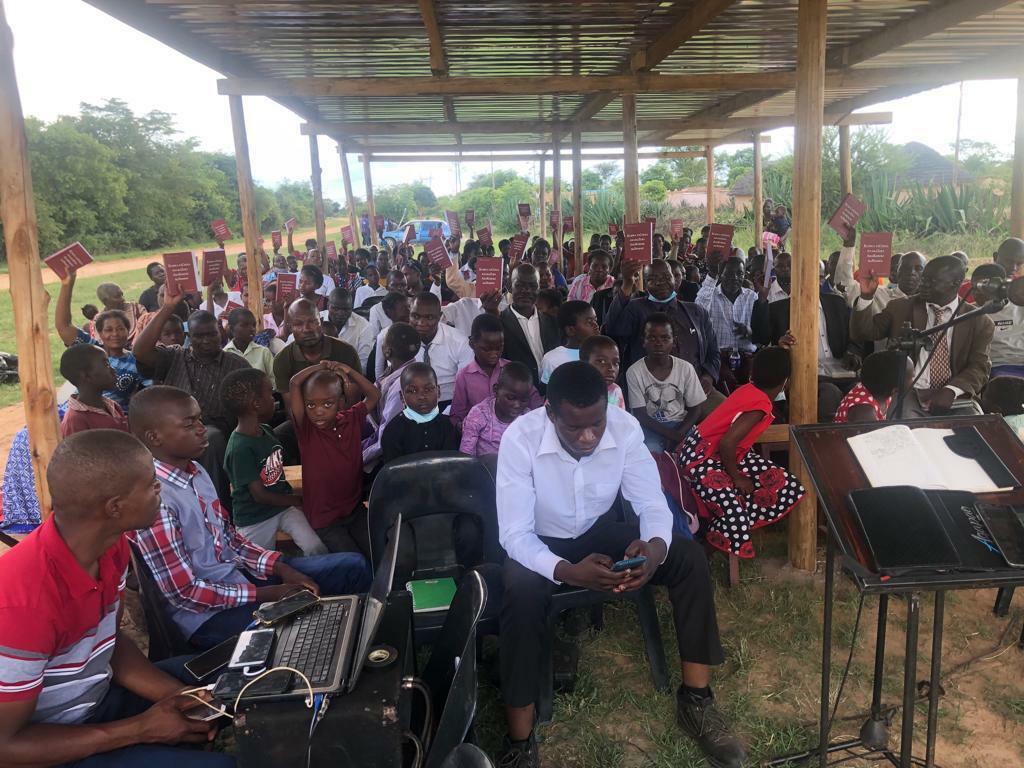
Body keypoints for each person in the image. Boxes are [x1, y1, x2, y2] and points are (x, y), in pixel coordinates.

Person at [495, 362, 742, 768]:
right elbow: (515, 535)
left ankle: (696, 701)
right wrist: (567, 571)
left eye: (596, 423)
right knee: (519, 592)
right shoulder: (520, 438)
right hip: (540, 542)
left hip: (597, 530)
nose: (589, 436)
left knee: (688, 557)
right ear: (551, 414)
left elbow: (651, 504)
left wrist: (655, 550)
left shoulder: (624, 428)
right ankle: (520, 743)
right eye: (574, 428)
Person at [0, 430, 235, 768]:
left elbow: (109, 642)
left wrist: (176, 697)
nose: (160, 490)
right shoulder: (21, 602)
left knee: (236, 683)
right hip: (47, 743)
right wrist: (139, 730)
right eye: (152, 484)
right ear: (115, 507)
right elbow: (6, 747)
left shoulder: (112, 547)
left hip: (98, 702)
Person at [129, 386, 370, 648]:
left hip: (239, 579)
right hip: (207, 615)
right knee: (306, 630)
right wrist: (266, 594)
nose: (201, 428)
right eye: (189, 424)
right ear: (154, 437)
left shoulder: (196, 471)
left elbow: (231, 539)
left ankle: (363, 646)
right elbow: (186, 594)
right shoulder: (154, 502)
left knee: (352, 567)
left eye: (199, 419)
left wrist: (281, 568)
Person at [678, 347, 805, 558]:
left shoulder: (749, 390)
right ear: (786, 381)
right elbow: (727, 444)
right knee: (734, 514)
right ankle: (700, 554)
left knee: (785, 484)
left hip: (714, 454)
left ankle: (736, 524)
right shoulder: (759, 404)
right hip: (700, 459)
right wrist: (737, 478)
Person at [851, 255, 995, 416]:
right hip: (910, 392)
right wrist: (866, 296)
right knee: (904, 427)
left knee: (973, 431)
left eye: (932, 281)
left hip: (956, 396)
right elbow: (864, 332)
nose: (923, 285)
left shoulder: (979, 321)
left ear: (956, 283)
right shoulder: (900, 307)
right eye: (924, 278)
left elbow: (980, 367)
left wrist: (951, 390)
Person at [221, 368, 326, 555]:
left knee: (314, 546)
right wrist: (298, 499)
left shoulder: (266, 431)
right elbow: (259, 495)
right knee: (257, 564)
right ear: (256, 404)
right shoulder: (240, 448)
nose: (274, 399)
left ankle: (319, 578)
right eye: (270, 393)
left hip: (283, 508)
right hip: (254, 517)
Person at [289, 360, 380, 556]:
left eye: (327, 404)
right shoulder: (306, 430)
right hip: (325, 520)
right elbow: (295, 383)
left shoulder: (352, 419)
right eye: (311, 405)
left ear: (341, 402)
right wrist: (322, 367)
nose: (318, 411)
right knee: (355, 562)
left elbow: (374, 394)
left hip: (353, 510)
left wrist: (349, 370)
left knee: (378, 550)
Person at [604, 259, 721, 394]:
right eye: (652, 279)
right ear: (645, 284)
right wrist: (627, 283)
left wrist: (708, 377)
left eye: (666, 277)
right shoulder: (635, 309)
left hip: (695, 388)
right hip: (650, 392)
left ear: (675, 278)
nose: (660, 282)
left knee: (730, 412)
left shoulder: (696, 312)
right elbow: (611, 327)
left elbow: (713, 352)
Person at [55, 269, 145, 411]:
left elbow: (143, 396)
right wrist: (67, 283)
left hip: (114, 420)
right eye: (108, 330)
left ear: (128, 331)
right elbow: (64, 326)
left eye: (121, 329)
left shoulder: (137, 362)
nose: (115, 334)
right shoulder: (91, 351)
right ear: (100, 333)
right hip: (77, 412)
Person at [627, 314, 707, 452]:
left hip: (681, 425)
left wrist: (679, 434)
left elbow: (696, 409)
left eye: (665, 338)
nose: (658, 343)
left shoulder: (685, 368)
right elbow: (640, 415)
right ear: (643, 341)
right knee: (652, 451)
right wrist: (672, 436)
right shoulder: (634, 372)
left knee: (697, 451)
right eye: (652, 338)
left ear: (674, 341)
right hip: (651, 426)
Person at [450, 313, 541, 429]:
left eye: (499, 348)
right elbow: (456, 415)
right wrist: (468, 428)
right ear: (472, 344)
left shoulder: (513, 370)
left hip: (514, 433)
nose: (494, 354)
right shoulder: (464, 376)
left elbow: (535, 402)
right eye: (486, 349)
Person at [273, 298, 362, 410]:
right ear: (290, 327)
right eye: (298, 324)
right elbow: (292, 411)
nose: (307, 329)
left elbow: (355, 405)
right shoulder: (282, 360)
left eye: (312, 322)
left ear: (320, 321)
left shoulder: (346, 352)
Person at [363, 323, 423, 465]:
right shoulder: (392, 372)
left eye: (383, 343)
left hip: (393, 453)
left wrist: (357, 458)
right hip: (377, 436)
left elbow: (385, 437)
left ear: (387, 351)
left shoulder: (402, 385)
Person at [696, 256, 758, 388]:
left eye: (739, 273)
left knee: (753, 385)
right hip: (719, 356)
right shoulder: (709, 295)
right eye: (729, 273)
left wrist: (751, 331)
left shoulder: (751, 297)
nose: (735, 277)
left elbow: (762, 330)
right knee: (729, 387)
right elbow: (698, 309)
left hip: (746, 356)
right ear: (721, 275)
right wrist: (712, 274)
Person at [381, 363, 459, 464]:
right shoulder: (393, 430)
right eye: (412, 391)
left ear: (438, 392)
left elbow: (452, 465)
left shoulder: (448, 425)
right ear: (402, 396)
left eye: (428, 389)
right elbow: (393, 472)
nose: (421, 396)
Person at [834, 228, 925, 313]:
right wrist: (849, 246)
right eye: (906, 267)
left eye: (918, 269)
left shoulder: (930, 305)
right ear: (897, 272)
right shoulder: (878, 295)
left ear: (925, 274)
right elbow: (844, 285)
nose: (912, 272)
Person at [408, 292, 474, 408]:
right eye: (416, 316)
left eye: (429, 317)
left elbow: (466, 385)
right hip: (411, 401)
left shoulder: (459, 342)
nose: (421, 323)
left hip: (449, 402)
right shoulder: (401, 341)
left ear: (440, 316)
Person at [500, 264, 561, 390]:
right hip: (519, 395)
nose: (526, 290)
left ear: (539, 288)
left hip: (551, 391)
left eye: (532, 286)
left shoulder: (553, 323)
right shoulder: (500, 323)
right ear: (510, 286)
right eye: (520, 285)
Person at [460, 361, 536, 457]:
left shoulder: (527, 419)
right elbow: (466, 455)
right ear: (496, 390)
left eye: (524, 400)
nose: (517, 405)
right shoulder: (479, 415)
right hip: (484, 469)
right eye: (511, 398)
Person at [59, 344, 129, 437]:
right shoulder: (76, 421)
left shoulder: (112, 405)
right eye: (106, 364)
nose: (113, 369)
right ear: (87, 376)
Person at [971, 263, 1024, 379]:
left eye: (982, 287)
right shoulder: (968, 313)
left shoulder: (1020, 307)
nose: (976, 292)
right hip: (998, 367)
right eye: (974, 288)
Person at [834, 350, 911, 423]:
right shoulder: (864, 412)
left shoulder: (881, 392)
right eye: (912, 377)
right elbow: (870, 436)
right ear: (895, 390)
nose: (914, 380)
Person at [539, 300, 600, 385]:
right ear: (571, 330)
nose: (596, 325)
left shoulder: (602, 354)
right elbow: (548, 392)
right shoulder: (552, 359)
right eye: (589, 322)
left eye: (595, 320)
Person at [223, 307, 276, 388]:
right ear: (231, 328)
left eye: (254, 325)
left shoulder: (263, 352)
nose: (252, 329)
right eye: (245, 325)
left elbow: (274, 381)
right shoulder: (225, 354)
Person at [325, 287, 375, 369]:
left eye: (346, 309)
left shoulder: (364, 326)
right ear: (328, 306)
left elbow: (363, 365)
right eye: (336, 308)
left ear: (352, 307)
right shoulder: (317, 320)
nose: (340, 313)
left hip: (350, 376)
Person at [372, 292, 414, 380]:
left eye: (409, 307)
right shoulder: (384, 335)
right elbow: (379, 367)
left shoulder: (414, 331)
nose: (408, 310)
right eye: (404, 308)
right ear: (389, 312)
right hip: (396, 379)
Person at [580, 334, 626, 409]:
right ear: (583, 363)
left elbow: (621, 419)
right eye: (602, 361)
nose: (611, 368)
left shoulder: (615, 390)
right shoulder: (573, 391)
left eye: (616, 363)